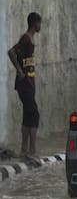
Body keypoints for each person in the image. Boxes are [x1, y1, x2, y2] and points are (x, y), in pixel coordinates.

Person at [7, 12, 42, 165]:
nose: (41, 26)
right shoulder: (26, 38)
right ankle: (32, 151)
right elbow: (11, 52)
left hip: (29, 84)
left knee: (28, 115)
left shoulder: (29, 39)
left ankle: (24, 150)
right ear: (35, 23)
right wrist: (20, 71)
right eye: (40, 23)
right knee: (34, 115)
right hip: (24, 84)